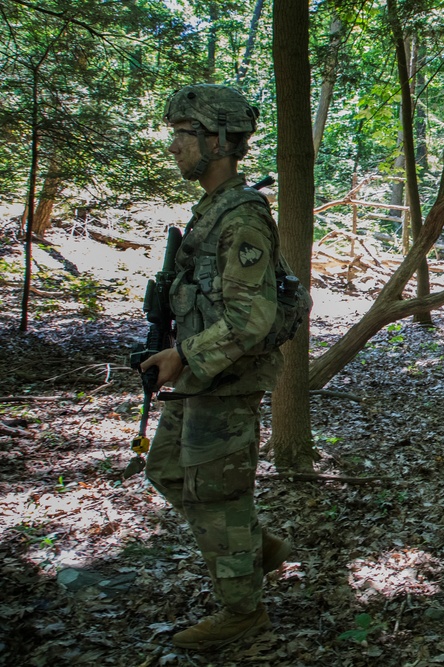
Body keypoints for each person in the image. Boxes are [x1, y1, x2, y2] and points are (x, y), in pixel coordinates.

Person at [140, 84, 290, 649]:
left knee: (218, 496)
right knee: (169, 471)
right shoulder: (214, 210)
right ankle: (255, 547)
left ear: (221, 143)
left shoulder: (242, 218)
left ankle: (243, 613)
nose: (176, 145)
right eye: (176, 133)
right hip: (203, 379)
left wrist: (184, 355)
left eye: (186, 134)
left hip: (223, 381)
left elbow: (251, 319)